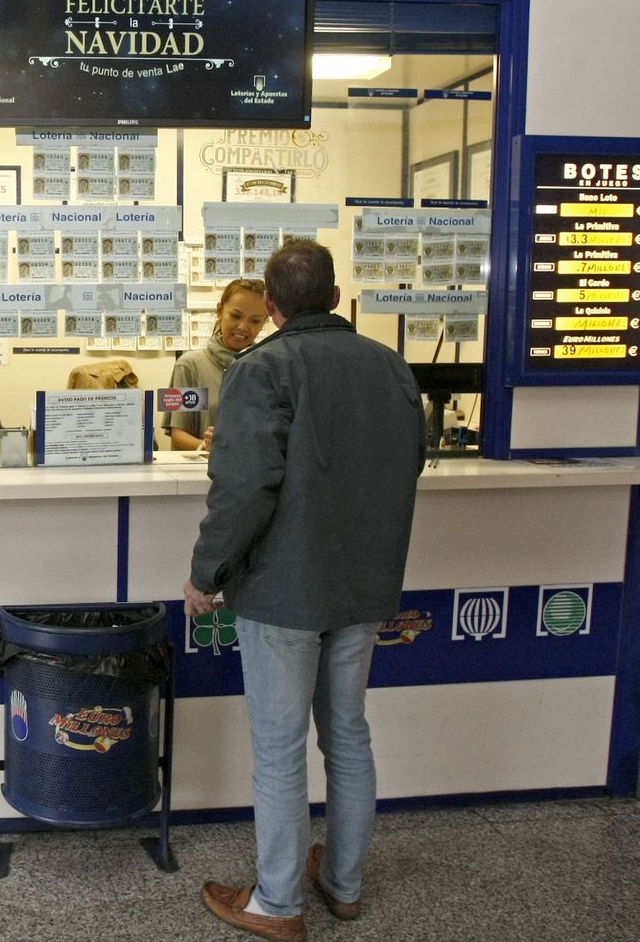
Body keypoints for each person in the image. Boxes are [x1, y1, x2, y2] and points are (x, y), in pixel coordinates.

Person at [187, 241, 426, 942]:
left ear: (270, 305)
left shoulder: (265, 369)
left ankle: (277, 902)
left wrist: (206, 573)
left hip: (284, 591)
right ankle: (343, 885)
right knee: (348, 734)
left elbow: (242, 489)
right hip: (363, 586)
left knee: (280, 748)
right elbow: (411, 461)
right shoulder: (390, 366)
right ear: (336, 294)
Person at [162, 278, 268, 452]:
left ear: (264, 322)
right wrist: (206, 446)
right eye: (236, 316)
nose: (243, 327)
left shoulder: (267, 368)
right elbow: (178, 434)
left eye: (255, 321)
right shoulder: (188, 365)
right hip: (202, 474)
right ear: (220, 311)